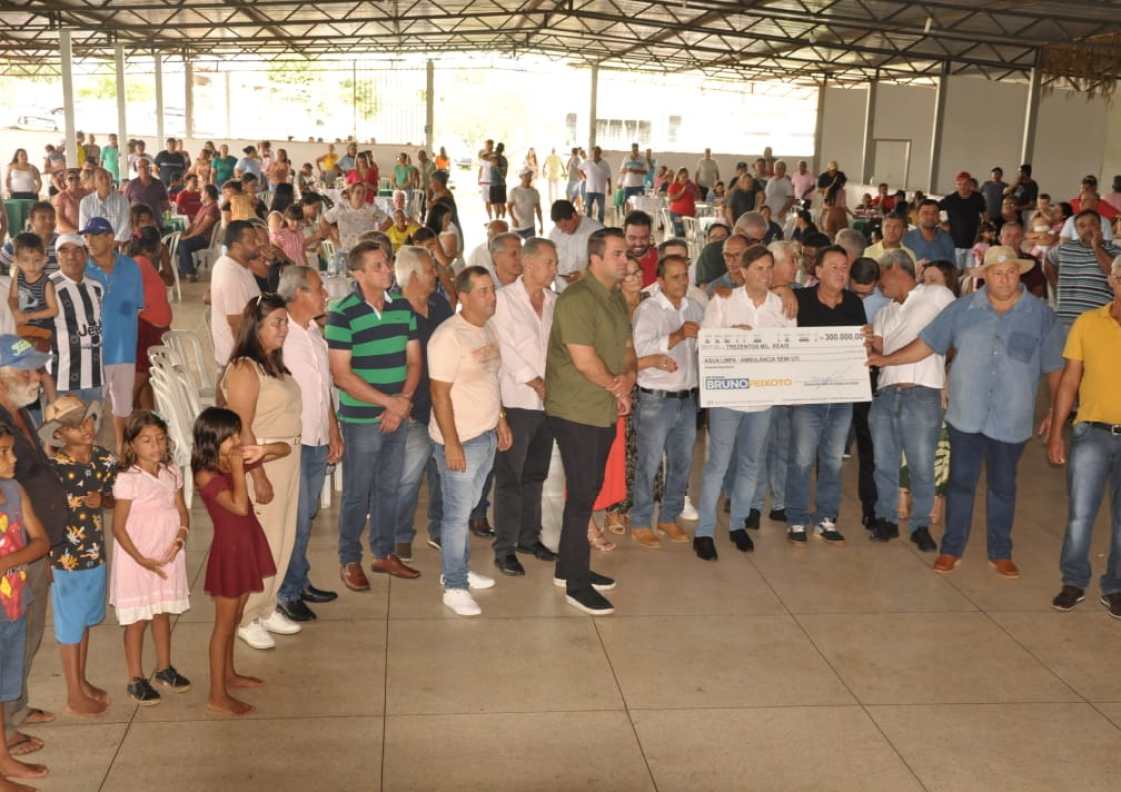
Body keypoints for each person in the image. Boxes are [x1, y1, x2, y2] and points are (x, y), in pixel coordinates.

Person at [869, 246, 1064, 577]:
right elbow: (926, 345)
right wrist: (887, 360)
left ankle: (1000, 552)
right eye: (997, 272)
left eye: (1012, 272)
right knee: (960, 484)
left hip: (1011, 417)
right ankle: (951, 549)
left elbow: (1056, 370)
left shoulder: (1042, 316)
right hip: (966, 415)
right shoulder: (962, 310)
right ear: (984, 276)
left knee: (1003, 486)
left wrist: (1057, 415)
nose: (1005, 278)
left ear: (1020, 274)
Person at [545, 228, 635, 616]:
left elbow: (628, 351)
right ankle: (577, 586)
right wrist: (618, 389)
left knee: (589, 489)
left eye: (626, 254)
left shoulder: (614, 298)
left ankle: (568, 569)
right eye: (616, 254)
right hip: (577, 409)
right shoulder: (577, 298)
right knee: (583, 494)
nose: (625, 261)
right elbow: (583, 360)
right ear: (594, 258)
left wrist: (628, 379)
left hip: (603, 405)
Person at [327, 240, 421, 591]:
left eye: (388, 263)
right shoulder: (342, 312)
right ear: (358, 273)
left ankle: (383, 552)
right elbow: (341, 375)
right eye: (379, 265)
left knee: (389, 487)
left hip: (397, 411)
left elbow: (414, 361)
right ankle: (349, 558)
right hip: (362, 418)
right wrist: (389, 403)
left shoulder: (403, 308)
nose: (388, 270)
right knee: (357, 490)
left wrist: (403, 401)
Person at [220, 294, 303, 649]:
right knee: (261, 540)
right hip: (262, 458)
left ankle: (267, 606)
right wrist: (258, 475)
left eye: (285, 322)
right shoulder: (245, 369)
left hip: (287, 455)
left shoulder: (272, 363)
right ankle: (246, 614)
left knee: (282, 536)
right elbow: (241, 427)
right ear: (257, 328)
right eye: (277, 323)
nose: (284, 329)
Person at [428, 266, 512, 615]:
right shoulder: (448, 337)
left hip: (485, 433)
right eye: (481, 291)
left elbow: (492, 379)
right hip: (460, 437)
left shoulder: (486, 328)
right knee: (457, 514)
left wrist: (502, 420)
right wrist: (451, 443)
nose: (491, 297)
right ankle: (455, 584)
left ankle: (457, 569)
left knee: (467, 508)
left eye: (491, 289)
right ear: (462, 297)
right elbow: (439, 394)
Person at [191, 406, 285, 716]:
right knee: (223, 625)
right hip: (229, 551)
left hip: (247, 543)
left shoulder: (231, 458)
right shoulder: (206, 473)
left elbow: (283, 449)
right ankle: (217, 694)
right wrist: (236, 468)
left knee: (237, 614)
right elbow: (240, 506)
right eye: (229, 437)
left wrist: (263, 449)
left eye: (236, 435)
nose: (235, 441)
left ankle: (229, 674)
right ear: (211, 440)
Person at [865, 249, 956, 551]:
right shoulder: (882, 313)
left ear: (895, 270)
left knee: (921, 464)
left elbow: (948, 336)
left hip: (923, 391)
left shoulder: (936, 295)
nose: (879, 284)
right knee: (884, 463)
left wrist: (885, 358)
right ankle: (886, 519)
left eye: (882, 276)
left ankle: (920, 526)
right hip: (887, 394)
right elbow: (873, 355)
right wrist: (862, 342)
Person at [1047, 257, 1121, 615]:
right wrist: (1057, 432)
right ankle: (1074, 580)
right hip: (1092, 433)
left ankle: (1117, 585)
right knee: (1080, 513)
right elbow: (1069, 382)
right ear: (1112, 280)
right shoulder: (1087, 323)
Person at [785, 246, 868, 545]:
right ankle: (795, 518)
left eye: (845, 267)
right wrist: (784, 290)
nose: (841, 272)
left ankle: (826, 518)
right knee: (802, 458)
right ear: (817, 271)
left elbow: (860, 344)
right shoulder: (801, 300)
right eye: (833, 266)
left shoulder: (855, 304)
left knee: (833, 460)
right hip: (807, 395)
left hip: (842, 394)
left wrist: (868, 342)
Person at [273, 266, 341, 622]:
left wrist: (333, 428)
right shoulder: (279, 335)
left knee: (307, 515)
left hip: (316, 435)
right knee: (294, 520)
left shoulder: (315, 331)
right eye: (318, 289)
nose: (325, 294)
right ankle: (286, 591)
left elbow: (322, 387)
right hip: (292, 441)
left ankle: (300, 579)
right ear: (298, 294)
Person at [38, 396, 113, 717]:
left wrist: (103, 501)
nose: (85, 429)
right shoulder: (53, 471)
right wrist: (47, 558)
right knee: (69, 626)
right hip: (64, 559)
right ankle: (73, 693)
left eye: (87, 421)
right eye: (74, 426)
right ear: (58, 436)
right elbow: (42, 516)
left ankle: (81, 681)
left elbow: (115, 498)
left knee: (84, 620)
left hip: (94, 554)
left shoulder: (104, 460)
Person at [109, 411, 191, 705]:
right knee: (137, 619)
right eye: (147, 440)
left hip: (167, 554)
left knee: (162, 612)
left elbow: (182, 511)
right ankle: (135, 677)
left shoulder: (172, 472)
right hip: (137, 559)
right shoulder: (128, 479)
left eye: (160, 439)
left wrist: (180, 537)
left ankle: (165, 667)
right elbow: (118, 527)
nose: (155, 446)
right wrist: (141, 559)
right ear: (132, 445)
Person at [492, 239, 558, 576]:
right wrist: (535, 382)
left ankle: (529, 537)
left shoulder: (552, 301)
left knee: (536, 474)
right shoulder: (503, 300)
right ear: (529, 264)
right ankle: (504, 548)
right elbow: (503, 347)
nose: (554, 268)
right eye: (549, 262)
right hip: (516, 400)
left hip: (547, 404)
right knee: (509, 479)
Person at [630, 253, 702, 550]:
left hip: (687, 397)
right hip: (655, 400)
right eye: (674, 276)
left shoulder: (695, 307)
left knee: (682, 462)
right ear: (659, 281)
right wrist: (677, 335)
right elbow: (639, 350)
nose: (682, 282)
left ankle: (669, 517)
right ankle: (640, 521)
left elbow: (704, 345)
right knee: (648, 463)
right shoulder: (648, 310)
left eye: (685, 275)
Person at [393, 246, 452, 559]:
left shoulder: (440, 303)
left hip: (442, 405)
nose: (436, 274)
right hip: (411, 408)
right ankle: (400, 534)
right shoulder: (394, 310)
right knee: (408, 478)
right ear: (414, 275)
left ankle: (440, 530)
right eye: (431, 270)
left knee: (443, 473)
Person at [0, 423, 50, 786]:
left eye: (11, 449)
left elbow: (41, 542)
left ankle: (3, 758)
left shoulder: (14, 491)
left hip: (13, 605)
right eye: (3, 452)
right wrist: (18, 557)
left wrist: (6, 562)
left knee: (3, 689)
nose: (12, 458)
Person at [80, 217, 142, 453]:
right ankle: (89, 459)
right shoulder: (83, 270)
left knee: (123, 409)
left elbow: (137, 307)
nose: (89, 241)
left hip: (124, 348)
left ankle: (121, 452)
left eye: (95, 235)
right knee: (92, 410)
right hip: (94, 351)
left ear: (110, 237)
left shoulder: (131, 267)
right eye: (86, 236)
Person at [1046, 210, 1119, 328]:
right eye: (1082, 226)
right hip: (1064, 322)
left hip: (1097, 324)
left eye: (1092, 223)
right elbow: (1048, 260)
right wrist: (1055, 285)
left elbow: (1114, 273)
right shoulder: (1064, 248)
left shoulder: (1115, 251)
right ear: (1077, 231)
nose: (1088, 228)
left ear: (1100, 226)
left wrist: (1096, 246)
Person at [210, 221, 262, 374]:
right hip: (238, 360)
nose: (258, 244)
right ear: (236, 246)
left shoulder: (239, 265)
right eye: (252, 241)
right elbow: (237, 325)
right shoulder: (231, 273)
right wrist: (254, 361)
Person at [7, 233, 58, 355]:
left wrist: (29, 316)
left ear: (45, 260)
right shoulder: (18, 276)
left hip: (43, 330)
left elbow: (54, 310)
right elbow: (13, 297)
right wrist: (16, 312)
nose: (31, 265)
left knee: (29, 358)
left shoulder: (46, 283)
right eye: (25, 260)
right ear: (16, 260)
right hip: (24, 329)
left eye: (36, 260)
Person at [548, 199, 601, 292]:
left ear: (574, 216)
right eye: (559, 227)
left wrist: (583, 274)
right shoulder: (554, 234)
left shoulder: (596, 231)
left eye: (565, 225)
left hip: (588, 290)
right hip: (561, 291)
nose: (562, 231)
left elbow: (604, 262)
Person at [938, 172, 987, 270]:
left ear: (970, 184)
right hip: (955, 244)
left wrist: (983, 228)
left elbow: (985, 214)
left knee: (971, 273)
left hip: (973, 243)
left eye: (965, 184)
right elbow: (934, 209)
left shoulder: (978, 198)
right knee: (956, 271)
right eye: (959, 184)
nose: (962, 187)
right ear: (956, 185)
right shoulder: (950, 199)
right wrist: (940, 224)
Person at [177, 184, 220, 281]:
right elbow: (194, 224)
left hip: (205, 238)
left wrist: (188, 237)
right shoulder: (204, 207)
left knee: (184, 243)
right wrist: (185, 233)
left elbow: (202, 228)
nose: (200, 194)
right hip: (198, 236)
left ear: (207, 194)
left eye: (202, 192)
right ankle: (184, 269)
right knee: (177, 241)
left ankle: (190, 272)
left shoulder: (213, 208)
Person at [77, 168, 130, 244]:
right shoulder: (86, 202)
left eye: (107, 177)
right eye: (101, 178)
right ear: (94, 183)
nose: (105, 181)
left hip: (117, 246)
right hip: (94, 246)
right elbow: (83, 229)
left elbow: (125, 226)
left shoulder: (122, 200)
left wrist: (113, 244)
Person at [903, 199, 955, 266]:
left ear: (939, 216)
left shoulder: (946, 239)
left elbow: (952, 267)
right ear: (918, 216)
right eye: (925, 213)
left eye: (934, 213)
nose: (930, 216)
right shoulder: (907, 239)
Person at [623, 210, 658, 287]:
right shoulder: (616, 262)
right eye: (632, 238)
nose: (638, 243)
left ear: (649, 235)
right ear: (624, 235)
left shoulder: (661, 260)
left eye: (643, 238)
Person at [580, 147, 612, 224]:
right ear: (592, 153)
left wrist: (610, 187)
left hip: (600, 190)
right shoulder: (588, 162)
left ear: (600, 153)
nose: (595, 154)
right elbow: (580, 168)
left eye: (597, 152)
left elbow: (608, 176)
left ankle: (600, 224)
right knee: (588, 208)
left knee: (601, 209)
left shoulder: (605, 163)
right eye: (594, 152)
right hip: (589, 190)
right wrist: (584, 177)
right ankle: (588, 224)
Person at [508, 169, 542, 240]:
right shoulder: (514, 191)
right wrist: (513, 219)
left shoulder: (534, 192)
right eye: (526, 175)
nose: (529, 177)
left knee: (530, 249)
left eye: (530, 175)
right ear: (521, 177)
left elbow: (538, 209)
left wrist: (541, 225)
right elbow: (509, 207)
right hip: (516, 227)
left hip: (530, 226)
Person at [51, 169, 85, 234]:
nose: (74, 181)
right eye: (70, 179)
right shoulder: (61, 197)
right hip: (68, 233)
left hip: (85, 232)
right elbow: (58, 219)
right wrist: (75, 231)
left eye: (77, 178)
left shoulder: (85, 193)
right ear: (65, 182)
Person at [666, 168, 697, 237]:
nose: (685, 179)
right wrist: (683, 191)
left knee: (690, 234)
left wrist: (694, 190)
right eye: (683, 177)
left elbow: (697, 196)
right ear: (678, 176)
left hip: (690, 214)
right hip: (677, 214)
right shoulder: (673, 186)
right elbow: (671, 199)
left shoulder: (690, 185)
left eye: (686, 177)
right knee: (680, 233)